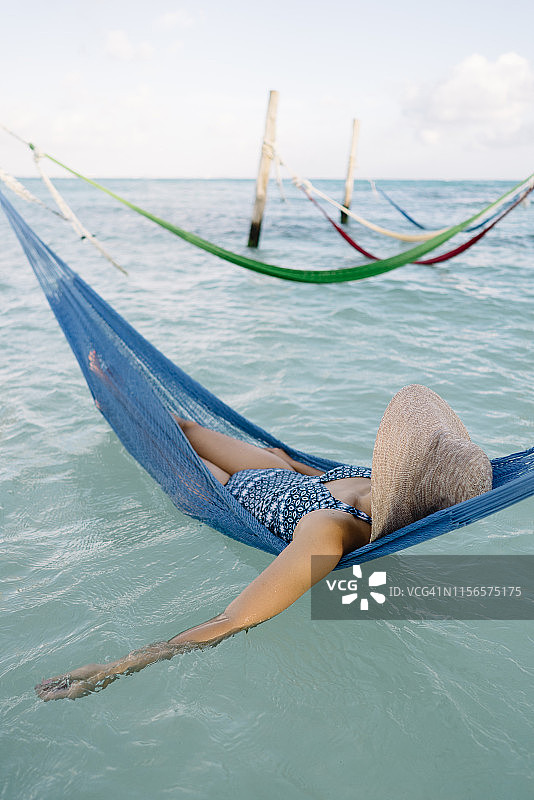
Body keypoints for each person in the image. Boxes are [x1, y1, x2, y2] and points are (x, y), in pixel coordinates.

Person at [35, 384, 492, 701]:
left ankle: (113, 405)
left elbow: (234, 618)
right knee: (186, 427)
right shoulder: (372, 478)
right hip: (278, 472)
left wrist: (116, 668)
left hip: (223, 495)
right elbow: (316, 477)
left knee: (168, 447)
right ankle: (111, 384)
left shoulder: (332, 532)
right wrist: (289, 462)